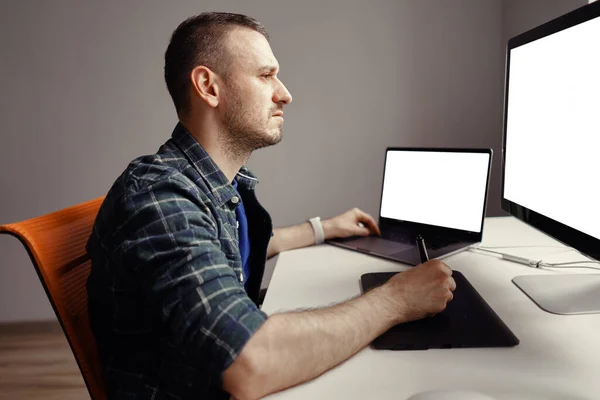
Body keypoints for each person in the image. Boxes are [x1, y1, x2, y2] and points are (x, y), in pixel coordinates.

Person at [86, 12, 456, 400]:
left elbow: (231, 245)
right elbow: (250, 362)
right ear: (208, 87)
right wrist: (396, 299)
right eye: (265, 76)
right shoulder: (158, 196)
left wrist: (323, 228)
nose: (284, 93)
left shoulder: (207, 183)